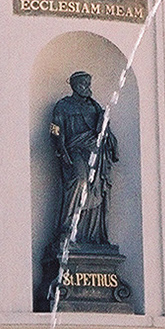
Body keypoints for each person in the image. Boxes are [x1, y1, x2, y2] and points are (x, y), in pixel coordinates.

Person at [49, 71, 118, 249]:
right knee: (80, 181)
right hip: (74, 150)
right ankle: (67, 230)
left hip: (95, 153)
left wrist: (105, 126)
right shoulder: (63, 106)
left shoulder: (95, 107)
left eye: (88, 84)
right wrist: (60, 149)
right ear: (74, 86)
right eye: (83, 84)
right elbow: (55, 129)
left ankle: (92, 236)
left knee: (96, 189)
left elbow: (104, 132)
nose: (87, 87)